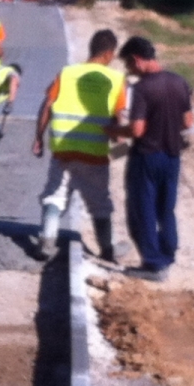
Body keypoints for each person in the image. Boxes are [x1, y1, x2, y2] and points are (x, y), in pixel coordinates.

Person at [31, 29, 129, 261]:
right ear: (108, 53)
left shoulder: (67, 73)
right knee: (99, 203)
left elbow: (47, 106)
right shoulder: (115, 80)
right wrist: (121, 148)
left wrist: (38, 138)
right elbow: (117, 122)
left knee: (55, 194)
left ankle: (46, 240)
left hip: (63, 150)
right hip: (94, 156)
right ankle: (107, 250)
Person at [117, 36, 194, 282]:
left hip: (147, 156)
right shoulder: (179, 82)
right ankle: (168, 253)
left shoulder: (142, 89)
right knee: (165, 208)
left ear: (136, 60)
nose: (130, 71)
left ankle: (153, 264)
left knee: (143, 210)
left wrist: (114, 131)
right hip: (173, 156)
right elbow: (188, 121)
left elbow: (137, 130)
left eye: (128, 66)